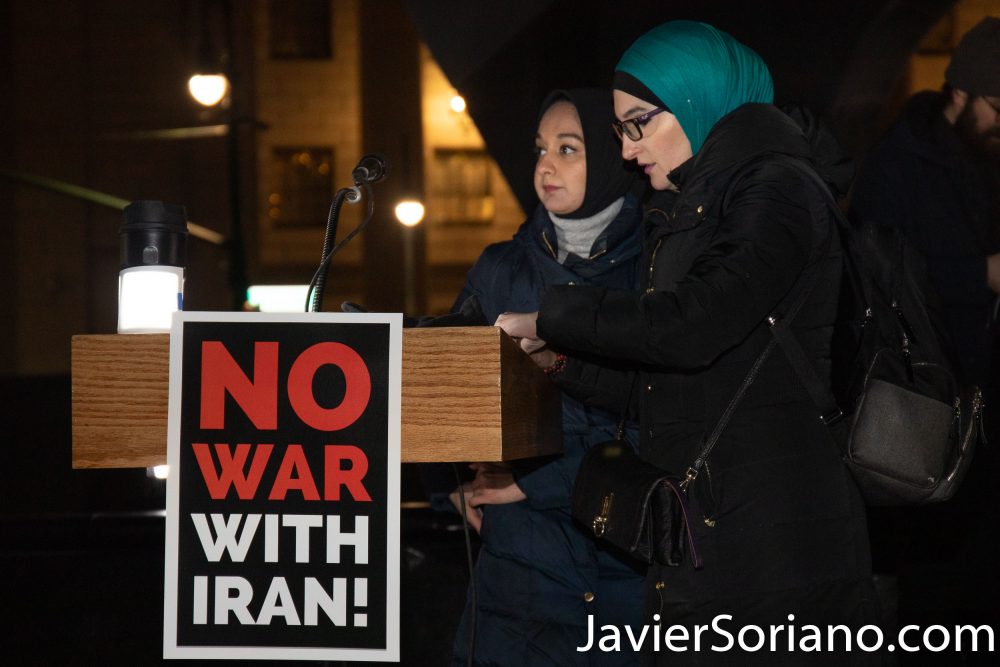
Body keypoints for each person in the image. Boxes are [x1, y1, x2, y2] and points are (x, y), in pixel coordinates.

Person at [497, 21, 881, 664]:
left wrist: (549, 317)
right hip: (711, 538)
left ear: (696, 99)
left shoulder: (775, 188)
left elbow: (690, 325)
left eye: (638, 123)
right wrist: (556, 359)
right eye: (620, 129)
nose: (626, 149)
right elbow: (670, 385)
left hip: (777, 551)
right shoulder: (696, 201)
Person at [448, 88, 646, 666]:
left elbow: (660, 422)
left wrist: (532, 483)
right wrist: (457, 483)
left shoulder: (659, 268)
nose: (545, 166)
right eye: (540, 149)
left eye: (568, 148)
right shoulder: (499, 269)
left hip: (626, 572)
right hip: (520, 577)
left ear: (611, 158)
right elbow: (449, 386)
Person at [849, 16, 1000, 635]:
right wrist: (981, 274)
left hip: (984, 402)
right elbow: (880, 281)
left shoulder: (983, 155)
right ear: (960, 92)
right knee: (937, 586)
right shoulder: (899, 163)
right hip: (930, 407)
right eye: (998, 104)